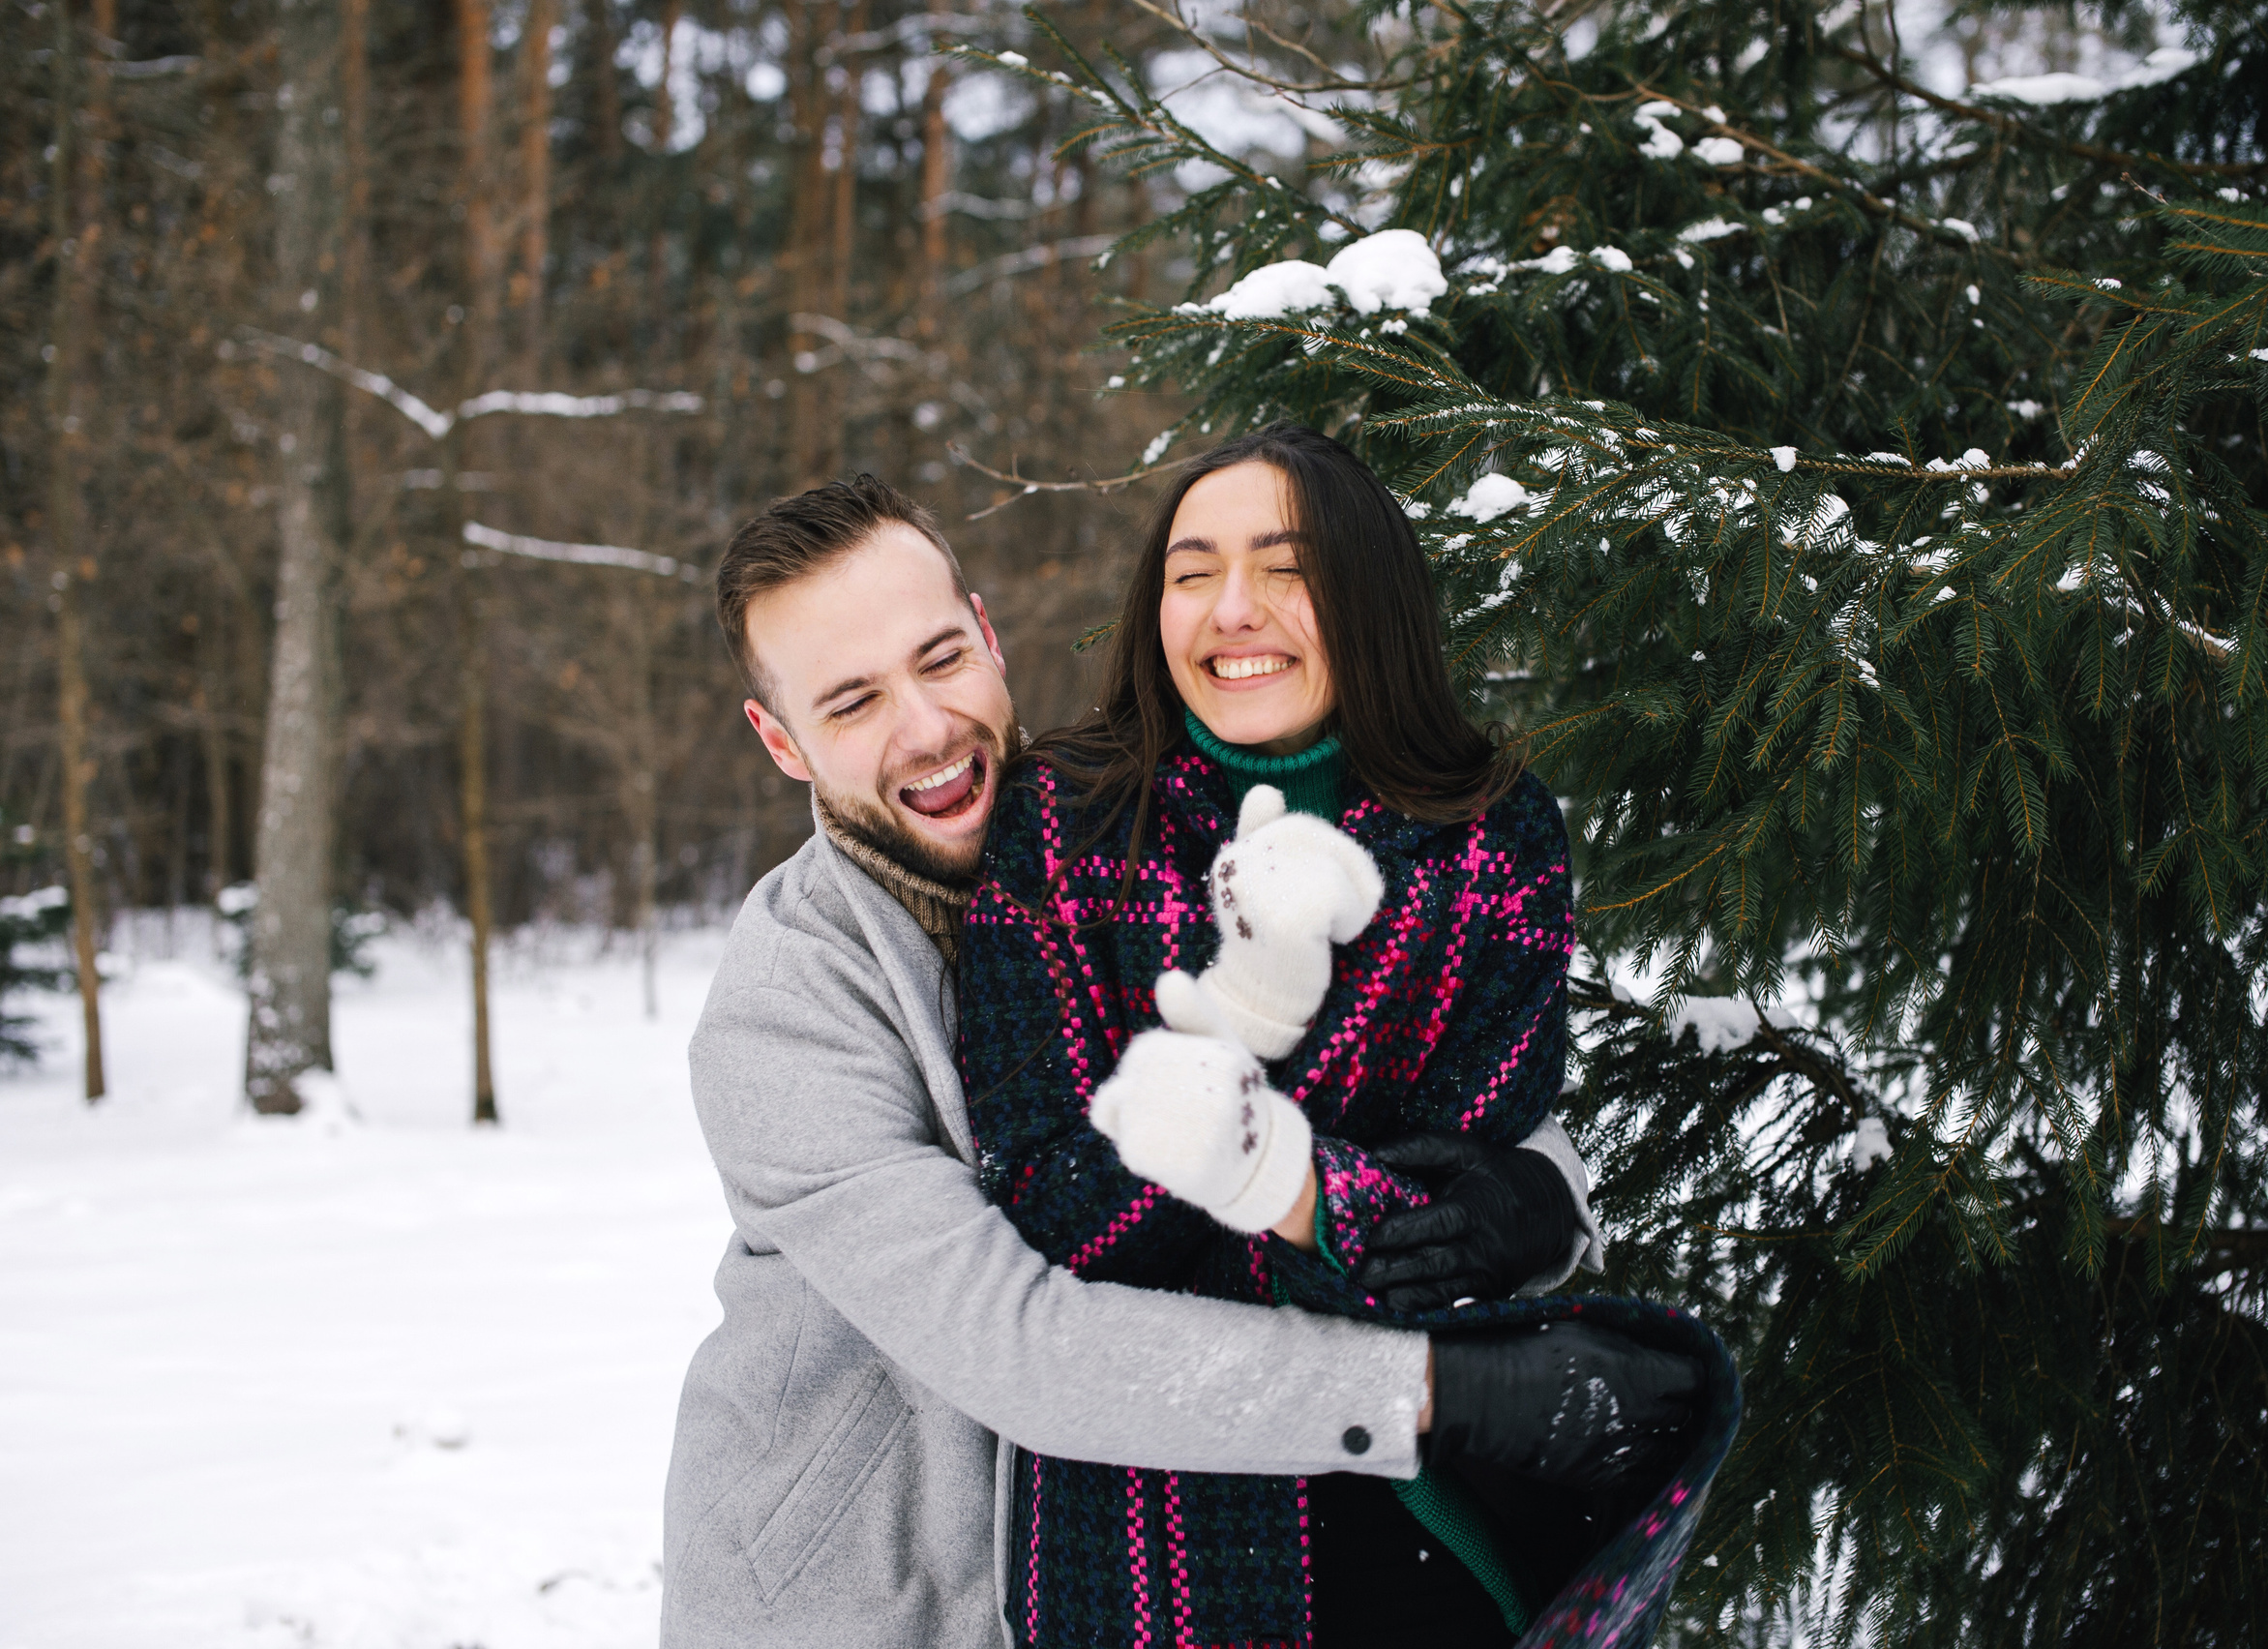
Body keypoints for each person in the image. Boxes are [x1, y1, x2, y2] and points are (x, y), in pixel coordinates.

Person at [661, 475, 1672, 1649]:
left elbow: (1332, 1071)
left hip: (1115, 1533)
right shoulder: (783, 1020)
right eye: (852, 704)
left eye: (940, 661)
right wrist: (1436, 1394)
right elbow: (1022, 1346)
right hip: (870, 1594)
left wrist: (1542, 1189)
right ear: (780, 741)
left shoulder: (1119, 846)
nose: (927, 730)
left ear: (987, 633)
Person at [958, 428, 1739, 1649]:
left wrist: (1253, 1173)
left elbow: (1455, 1217)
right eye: (1191, 569)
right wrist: (1323, 1197)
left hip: (1428, 1515)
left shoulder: (1494, 833)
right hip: (1149, 1530)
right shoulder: (1065, 822)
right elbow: (1044, 1196)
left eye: (1285, 566)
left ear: (1369, 595)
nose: (1231, 610)